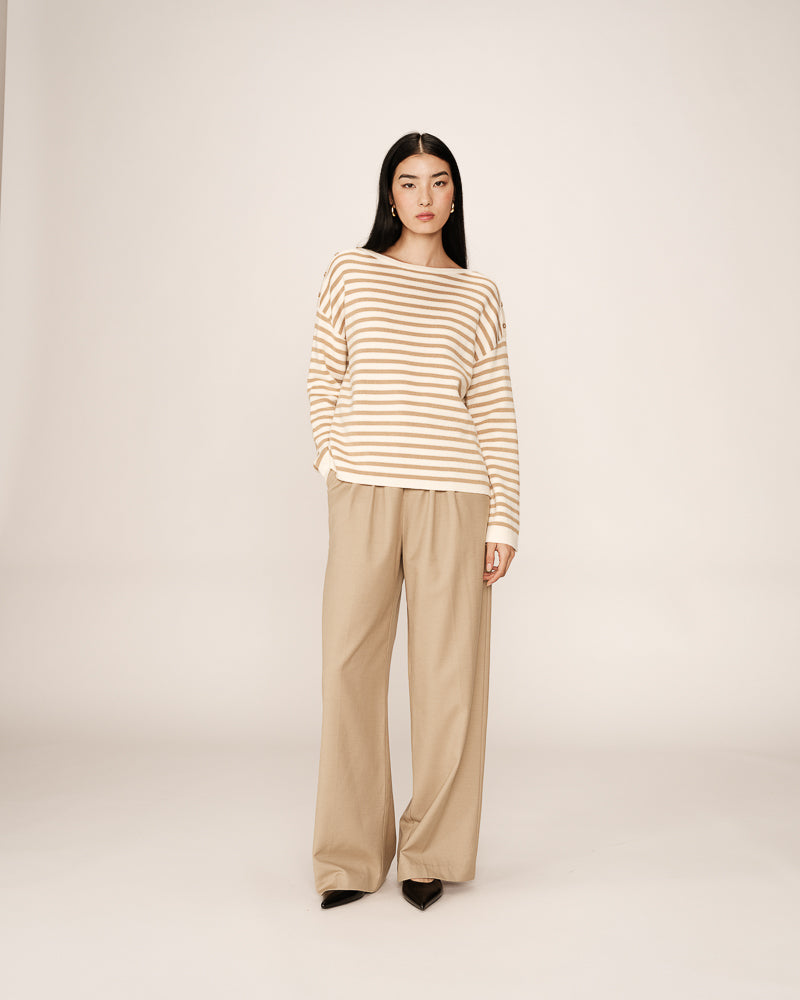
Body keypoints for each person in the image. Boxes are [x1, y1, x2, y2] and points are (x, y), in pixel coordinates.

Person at [307, 132, 520, 911]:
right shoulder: (351, 271)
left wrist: (504, 521)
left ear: (454, 196)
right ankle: (349, 856)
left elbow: (493, 410)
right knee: (348, 668)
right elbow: (323, 374)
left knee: (449, 679)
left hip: (456, 496)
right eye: (408, 181)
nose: (424, 196)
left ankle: (429, 852)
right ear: (389, 195)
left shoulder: (479, 293)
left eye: (437, 181)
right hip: (365, 489)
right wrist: (334, 460)